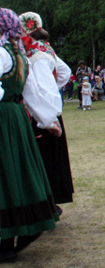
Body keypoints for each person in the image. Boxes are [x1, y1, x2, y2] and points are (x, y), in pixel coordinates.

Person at [0, 8, 62, 264]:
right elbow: (32, 92)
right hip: (15, 117)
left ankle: (5, 243)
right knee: (15, 173)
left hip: (3, 117)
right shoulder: (19, 54)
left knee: (5, 176)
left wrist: (49, 119)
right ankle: (19, 233)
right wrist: (48, 119)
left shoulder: (3, 52)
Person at [19, 11, 74, 210]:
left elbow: (43, 85)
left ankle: (48, 204)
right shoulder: (46, 48)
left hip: (41, 114)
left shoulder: (36, 54)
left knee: (45, 159)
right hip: (47, 110)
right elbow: (65, 72)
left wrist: (47, 110)